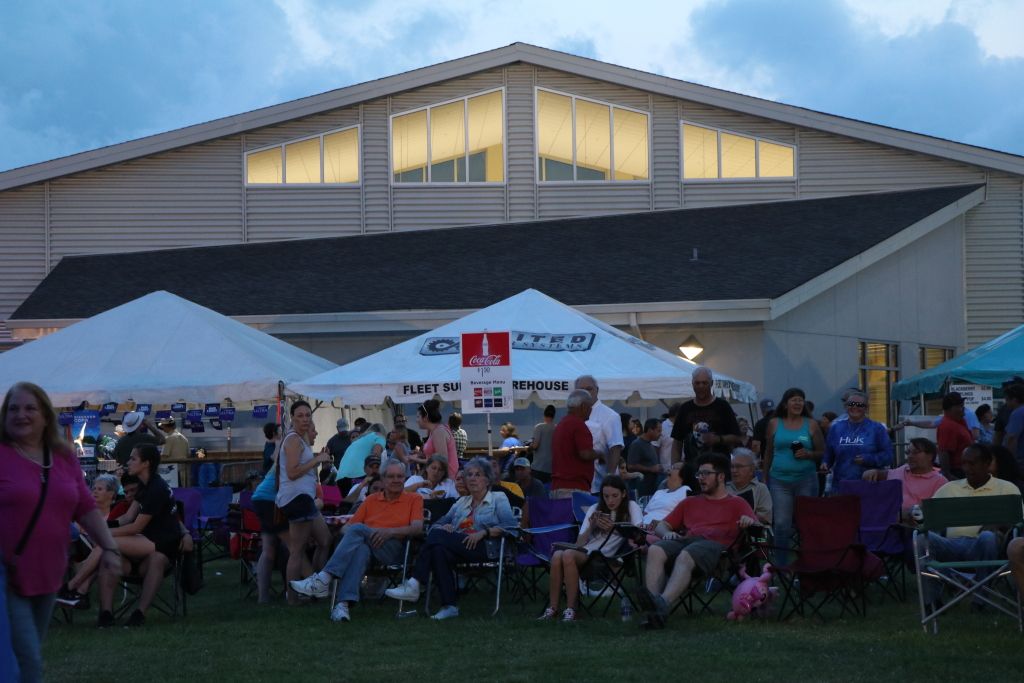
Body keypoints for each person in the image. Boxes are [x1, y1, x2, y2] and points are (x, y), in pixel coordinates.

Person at [1, 382, 120, 680]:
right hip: (7, 575)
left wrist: (109, 547)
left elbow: (85, 507)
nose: (21, 414)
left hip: (49, 574)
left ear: (45, 415)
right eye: (13, 409)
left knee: (27, 653)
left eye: (30, 408)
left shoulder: (63, 458)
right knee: (27, 661)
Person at [290, 458, 424, 622]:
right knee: (360, 550)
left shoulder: (414, 499)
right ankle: (343, 605)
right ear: (383, 479)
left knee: (358, 529)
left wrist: (389, 532)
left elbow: (417, 528)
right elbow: (346, 528)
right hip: (369, 548)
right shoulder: (371, 500)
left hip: (394, 549)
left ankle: (324, 577)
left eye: (400, 476)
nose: (396, 480)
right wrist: (367, 535)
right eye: (391, 476)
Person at [384, 456, 518, 620]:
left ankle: (415, 582)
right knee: (438, 549)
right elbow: (436, 525)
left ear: (487, 479)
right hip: (460, 547)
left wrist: (484, 532)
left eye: (478, 474)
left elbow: (511, 527)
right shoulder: (461, 502)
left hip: (486, 547)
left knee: (438, 539)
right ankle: (449, 606)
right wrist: (444, 527)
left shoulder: (498, 498)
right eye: (469, 475)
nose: (472, 478)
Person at [637, 453, 756, 629]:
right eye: (699, 474)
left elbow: (760, 533)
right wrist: (666, 533)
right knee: (656, 549)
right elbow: (662, 525)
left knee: (688, 553)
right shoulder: (690, 502)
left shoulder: (738, 503)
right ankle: (653, 609)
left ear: (721, 477)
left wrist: (749, 521)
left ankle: (661, 604)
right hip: (689, 541)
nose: (701, 478)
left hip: (718, 549)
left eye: (706, 473)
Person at [915, 443, 1020, 612]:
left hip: (986, 546)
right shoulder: (950, 488)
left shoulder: (1006, 488)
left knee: (987, 537)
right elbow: (926, 516)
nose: (967, 468)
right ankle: (932, 602)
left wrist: (999, 523)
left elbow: (1018, 520)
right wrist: (914, 514)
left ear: (987, 463)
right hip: (951, 545)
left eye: (972, 463)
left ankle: (980, 600)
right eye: (964, 463)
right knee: (921, 539)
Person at [98, 443, 184, 627]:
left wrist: (103, 532)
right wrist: (102, 525)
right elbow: (127, 518)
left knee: (155, 558)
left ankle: (139, 613)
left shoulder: (157, 488)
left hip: (159, 546)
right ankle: (105, 612)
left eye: (133, 458)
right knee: (108, 553)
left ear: (146, 463)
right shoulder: (144, 486)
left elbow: (135, 527)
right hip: (138, 546)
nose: (128, 462)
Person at [538, 475, 642, 621]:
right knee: (557, 555)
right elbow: (579, 543)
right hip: (586, 552)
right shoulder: (594, 509)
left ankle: (571, 609)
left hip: (604, 557)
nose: (610, 501)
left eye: (615, 496)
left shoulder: (631, 507)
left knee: (567, 555)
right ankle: (553, 608)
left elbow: (638, 534)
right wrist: (592, 527)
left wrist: (614, 528)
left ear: (623, 494)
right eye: (606, 496)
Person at [277, 400, 333, 605]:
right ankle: (292, 598)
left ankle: (315, 585)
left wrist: (317, 459)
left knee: (325, 540)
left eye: (308, 415)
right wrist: (316, 460)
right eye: (300, 415)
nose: (305, 419)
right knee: (297, 552)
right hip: (296, 498)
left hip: (304, 498)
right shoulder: (293, 440)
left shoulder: (300, 439)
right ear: (292, 418)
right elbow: (292, 473)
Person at [764, 388, 824, 559]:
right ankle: (781, 563)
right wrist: (765, 476)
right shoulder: (774, 423)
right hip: (779, 481)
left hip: (806, 480)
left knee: (806, 522)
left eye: (800, 400)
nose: (798, 403)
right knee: (781, 523)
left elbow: (822, 451)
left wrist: (809, 454)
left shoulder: (811, 424)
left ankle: (808, 561)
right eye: (794, 400)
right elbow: (768, 452)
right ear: (785, 404)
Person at [670, 366, 742, 491]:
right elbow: (677, 442)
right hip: (692, 471)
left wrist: (718, 439)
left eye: (704, 383)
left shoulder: (722, 406)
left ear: (711, 383)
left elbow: (736, 437)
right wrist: (675, 468)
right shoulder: (685, 408)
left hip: (718, 470)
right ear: (692, 384)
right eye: (697, 383)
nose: (701, 386)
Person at [59, 474, 122, 608]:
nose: (94, 491)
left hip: (97, 551)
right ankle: (79, 592)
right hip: (82, 550)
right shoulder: (86, 512)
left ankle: (74, 590)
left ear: (111, 494)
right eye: (94, 488)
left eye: (100, 489)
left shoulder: (116, 514)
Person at [863, 438, 948, 521]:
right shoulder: (903, 469)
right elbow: (876, 474)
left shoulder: (940, 481)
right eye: (908, 452)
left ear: (930, 456)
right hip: (886, 521)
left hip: (914, 525)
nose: (910, 456)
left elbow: (938, 514)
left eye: (915, 452)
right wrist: (872, 472)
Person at [822, 389, 892, 484]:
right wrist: (825, 463)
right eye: (851, 404)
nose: (855, 407)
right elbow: (829, 453)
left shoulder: (877, 428)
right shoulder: (836, 428)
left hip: (868, 483)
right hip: (842, 484)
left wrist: (868, 459)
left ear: (866, 408)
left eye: (859, 405)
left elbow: (888, 456)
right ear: (846, 406)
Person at [250, 444, 290, 604]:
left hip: (262, 498)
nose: (315, 433)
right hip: (270, 501)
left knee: (269, 549)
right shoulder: (293, 446)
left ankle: (263, 597)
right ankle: (305, 590)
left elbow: (274, 456)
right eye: (313, 432)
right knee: (293, 547)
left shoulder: (285, 447)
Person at [574, 375, 624, 493]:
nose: (586, 393)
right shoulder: (575, 414)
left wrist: (609, 480)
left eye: (589, 389)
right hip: (577, 483)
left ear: (597, 390)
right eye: (581, 390)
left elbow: (615, 448)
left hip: (598, 487)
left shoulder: (610, 416)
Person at [550, 389, 599, 497]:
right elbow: (585, 453)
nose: (591, 410)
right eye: (590, 407)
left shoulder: (561, 425)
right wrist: (600, 454)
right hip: (574, 488)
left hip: (558, 486)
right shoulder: (578, 425)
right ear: (583, 406)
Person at [726, 448, 773, 525]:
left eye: (739, 466)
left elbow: (765, 518)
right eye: (732, 467)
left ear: (751, 470)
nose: (734, 470)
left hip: (750, 529)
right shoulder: (724, 487)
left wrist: (750, 518)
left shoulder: (760, 488)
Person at [934, 392, 973, 479]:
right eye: (960, 406)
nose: (963, 409)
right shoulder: (947, 425)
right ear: (951, 408)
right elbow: (943, 451)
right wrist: (948, 475)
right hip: (957, 472)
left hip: (966, 469)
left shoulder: (960, 421)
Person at [419, 399, 458, 480]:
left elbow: (442, 461)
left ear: (425, 418)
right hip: (440, 477)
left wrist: (414, 459)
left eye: (418, 417)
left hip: (446, 479)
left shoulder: (438, 432)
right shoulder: (435, 431)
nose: (417, 420)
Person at [625, 418, 663, 498]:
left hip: (651, 488)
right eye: (658, 431)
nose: (661, 434)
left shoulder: (650, 444)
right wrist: (650, 469)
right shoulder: (637, 444)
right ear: (650, 430)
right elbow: (630, 466)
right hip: (642, 489)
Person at [530, 405, 557, 483]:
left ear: (544, 414)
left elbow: (535, 445)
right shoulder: (557, 428)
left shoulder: (539, 427)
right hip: (552, 467)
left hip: (539, 467)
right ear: (554, 415)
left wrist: (530, 447)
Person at [1003, 384, 1024, 470]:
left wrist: (1009, 461)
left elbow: (1011, 438)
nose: (1005, 402)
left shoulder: (1017, 413)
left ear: (1014, 400)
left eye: (1007, 399)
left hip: (1020, 462)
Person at [657, 403, 681, 473]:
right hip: (666, 470)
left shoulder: (683, 427)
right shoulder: (662, 427)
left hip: (681, 469)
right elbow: (655, 447)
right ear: (677, 414)